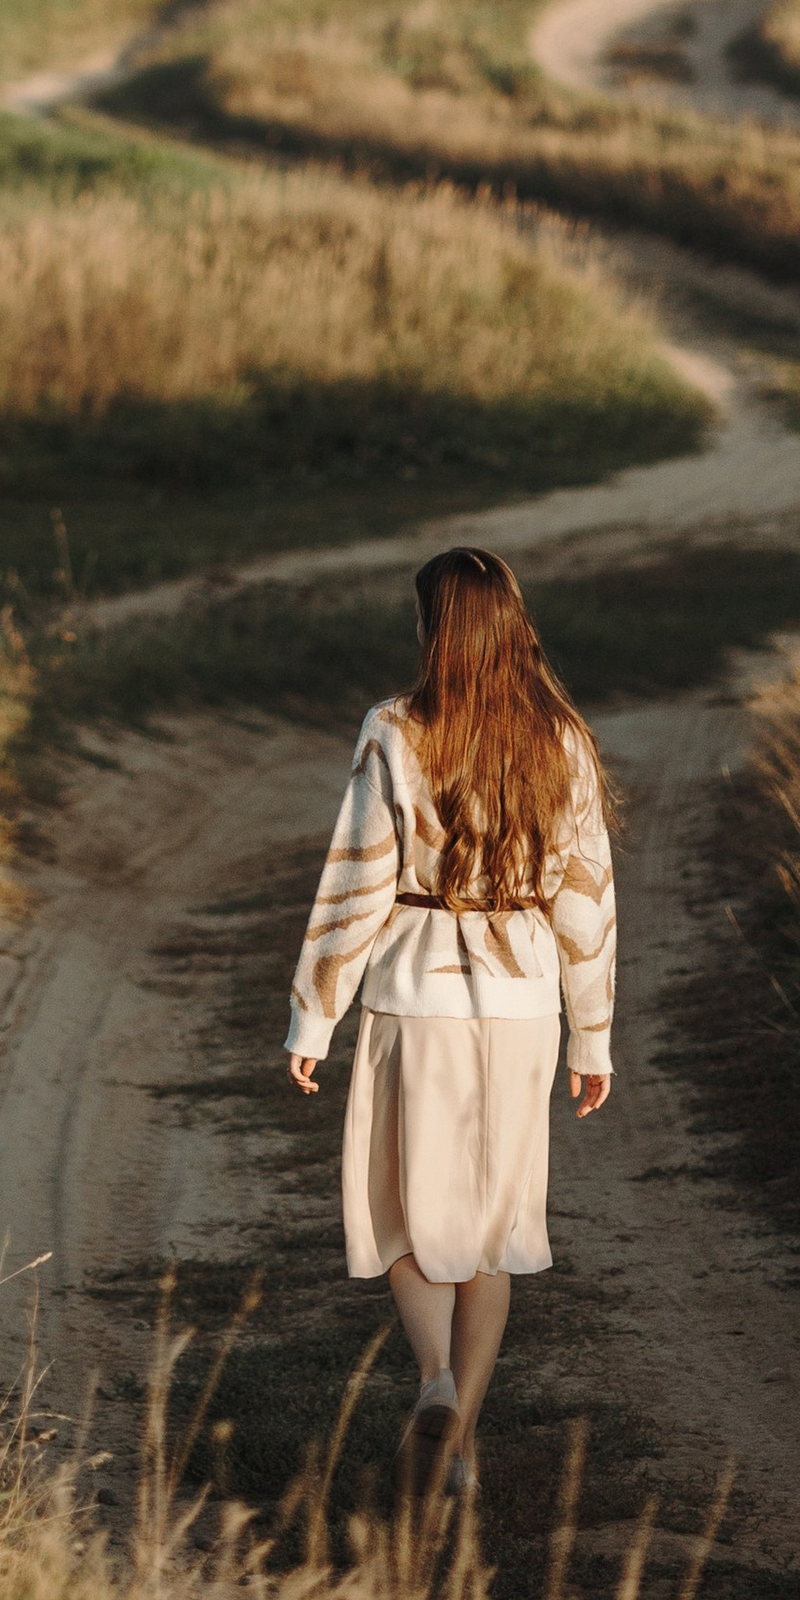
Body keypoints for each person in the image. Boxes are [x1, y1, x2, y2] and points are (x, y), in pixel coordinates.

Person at [284, 543, 615, 1499]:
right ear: (513, 624)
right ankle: (460, 1442)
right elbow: (588, 900)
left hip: (411, 991)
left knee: (405, 1211)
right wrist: (591, 1037)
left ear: (437, 628)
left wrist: (315, 1016)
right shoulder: (563, 740)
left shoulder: (396, 728)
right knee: (494, 1226)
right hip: (524, 1003)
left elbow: (355, 883)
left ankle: (431, 1381)